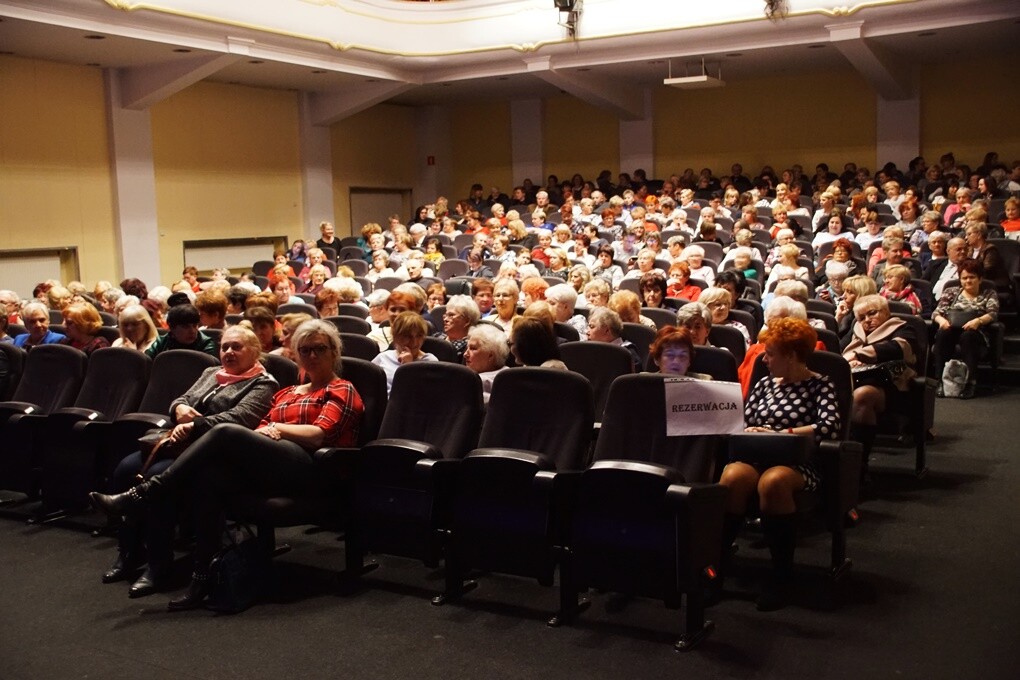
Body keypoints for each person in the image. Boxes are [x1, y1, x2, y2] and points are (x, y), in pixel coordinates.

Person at [90, 320, 364, 611]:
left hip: (311, 467)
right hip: (270, 464)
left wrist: (278, 428)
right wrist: (267, 430)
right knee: (210, 479)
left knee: (225, 432)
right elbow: (258, 428)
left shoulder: (341, 389)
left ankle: (143, 493)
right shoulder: (287, 392)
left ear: (334, 352)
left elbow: (319, 434)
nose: (311, 356)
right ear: (295, 354)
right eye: (304, 350)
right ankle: (201, 579)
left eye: (319, 349)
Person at [98, 325, 278, 598]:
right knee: (125, 469)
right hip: (179, 444)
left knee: (157, 476)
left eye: (237, 347)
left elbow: (239, 419)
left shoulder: (263, 383)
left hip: (216, 454)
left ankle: (159, 564)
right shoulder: (210, 373)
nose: (229, 352)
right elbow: (181, 400)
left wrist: (194, 424)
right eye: (225, 347)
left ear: (254, 351)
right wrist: (179, 408)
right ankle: (130, 553)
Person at [718, 317, 840, 610]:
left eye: (771, 353)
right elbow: (743, 420)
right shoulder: (764, 384)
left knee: (773, 482)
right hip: (757, 454)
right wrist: (750, 431)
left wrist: (782, 434)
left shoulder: (820, 385)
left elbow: (829, 426)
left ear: (792, 355)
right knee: (732, 475)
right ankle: (716, 565)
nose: (764, 358)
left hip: (799, 462)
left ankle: (781, 574)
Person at [842, 294, 918, 467]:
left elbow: (899, 348)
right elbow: (839, 353)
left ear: (886, 312)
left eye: (872, 313)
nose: (867, 320)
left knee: (862, 395)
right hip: (854, 380)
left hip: (893, 386)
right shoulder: (856, 331)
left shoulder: (903, 328)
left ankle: (858, 464)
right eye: (861, 318)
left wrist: (859, 354)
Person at [931, 259, 999, 399]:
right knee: (943, 334)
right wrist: (941, 320)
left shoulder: (988, 293)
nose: (968, 281)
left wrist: (978, 321)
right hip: (951, 328)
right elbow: (936, 313)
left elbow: (993, 313)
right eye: (964, 278)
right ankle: (939, 381)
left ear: (980, 279)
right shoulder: (951, 291)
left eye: (972, 277)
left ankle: (971, 382)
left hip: (976, 332)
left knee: (968, 337)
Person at [372, 311, 438, 393]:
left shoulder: (430, 362)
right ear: (395, 336)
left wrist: (408, 367)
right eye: (407, 336)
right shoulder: (383, 357)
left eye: (419, 336)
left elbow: (426, 396)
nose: (414, 342)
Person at [144, 303, 218, 359]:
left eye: (195, 325)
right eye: (186, 327)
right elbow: (146, 362)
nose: (192, 331)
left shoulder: (206, 343)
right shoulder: (161, 342)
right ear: (172, 327)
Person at [463, 323, 510, 403]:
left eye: (473, 349)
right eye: (467, 348)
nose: (465, 354)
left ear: (490, 356)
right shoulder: (508, 373)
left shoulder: (481, 382)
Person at [586, 306, 641, 372]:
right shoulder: (588, 351)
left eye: (592, 327)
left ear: (607, 330)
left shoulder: (627, 354)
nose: (587, 332)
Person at [440, 295, 480, 363]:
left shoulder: (469, 349)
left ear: (467, 321)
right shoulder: (437, 337)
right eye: (445, 315)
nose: (446, 319)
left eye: (451, 315)